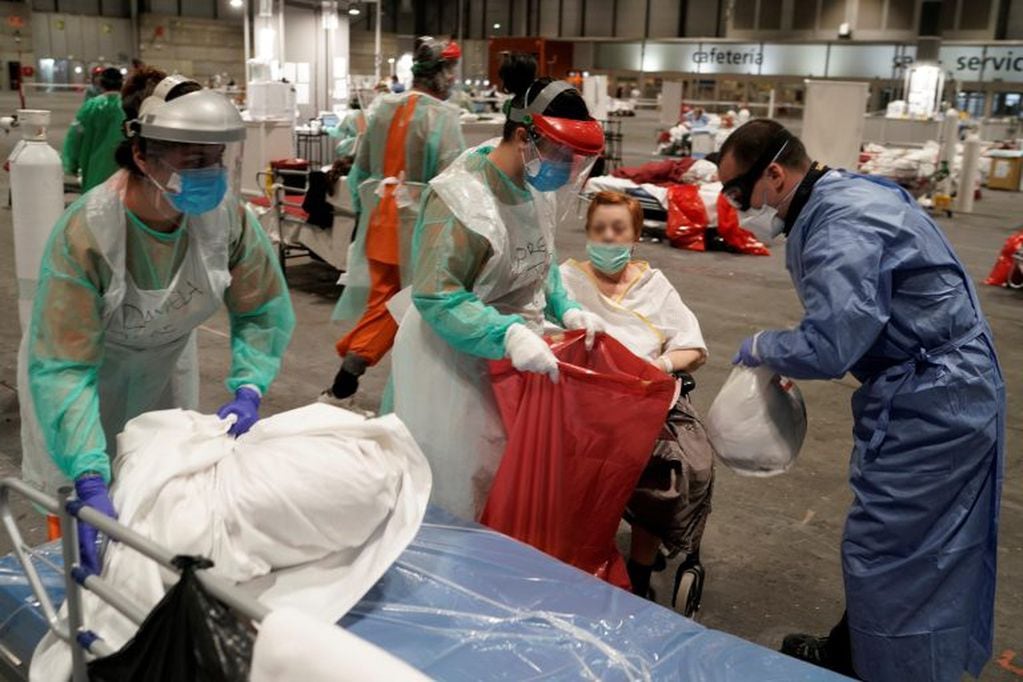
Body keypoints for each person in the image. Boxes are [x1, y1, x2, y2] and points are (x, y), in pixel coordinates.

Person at [720, 119, 1004, 681]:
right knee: (924, 545)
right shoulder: (844, 190)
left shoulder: (838, 225)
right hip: (951, 380)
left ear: (774, 175)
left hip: (933, 399)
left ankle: (887, 669)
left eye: (737, 192)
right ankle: (854, 649)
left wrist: (765, 348)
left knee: (888, 548)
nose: (733, 206)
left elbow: (830, 345)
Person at [18, 79, 296, 576]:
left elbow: (262, 308)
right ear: (143, 156)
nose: (211, 174)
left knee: (154, 498)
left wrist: (250, 386)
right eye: (192, 161)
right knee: (85, 528)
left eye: (217, 158)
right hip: (79, 386)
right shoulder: (88, 234)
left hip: (159, 369)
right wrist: (86, 473)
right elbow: (64, 365)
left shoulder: (225, 218)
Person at [390, 53, 605, 520]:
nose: (567, 170)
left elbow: (538, 256)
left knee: (504, 474)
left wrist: (565, 306)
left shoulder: (532, 185)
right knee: (457, 482)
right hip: (451, 360)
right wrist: (504, 334)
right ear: (525, 137)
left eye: (576, 159)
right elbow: (438, 294)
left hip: (509, 357)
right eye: (562, 155)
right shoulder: (460, 199)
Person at [559, 190, 712, 608]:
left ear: (636, 236)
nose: (608, 239)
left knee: (668, 471)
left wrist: (660, 366)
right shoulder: (566, 281)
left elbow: (693, 348)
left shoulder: (654, 286)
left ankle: (641, 571)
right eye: (598, 230)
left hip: (645, 399)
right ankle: (585, 553)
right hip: (584, 401)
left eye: (618, 230)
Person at [323, 36, 466, 406]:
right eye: (449, 71)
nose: (453, 79)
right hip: (420, 224)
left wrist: (366, 209)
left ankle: (349, 367)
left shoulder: (381, 107)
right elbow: (451, 180)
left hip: (379, 216)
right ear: (437, 73)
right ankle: (352, 370)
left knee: (384, 297)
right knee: (406, 303)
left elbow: (362, 171)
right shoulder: (444, 117)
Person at [63, 67, 125, 192]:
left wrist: (71, 164)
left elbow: (75, 136)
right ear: (121, 83)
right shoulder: (128, 106)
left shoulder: (90, 107)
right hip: (122, 172)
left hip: (94, 170)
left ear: (101, 83)